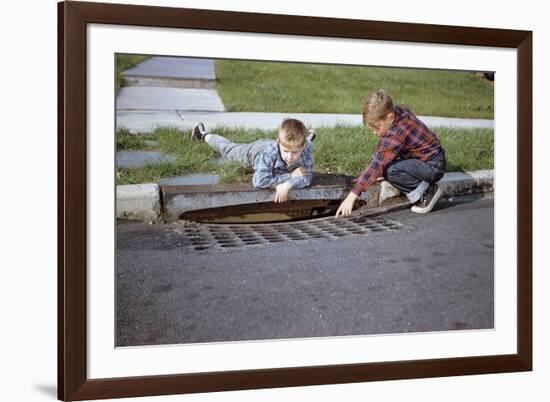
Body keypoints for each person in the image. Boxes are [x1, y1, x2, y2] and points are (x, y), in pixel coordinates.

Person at [336, 90, 446, 217]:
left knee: (390, 171)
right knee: (388, 163)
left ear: (390, 117)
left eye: (377, 127)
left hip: (432, 166)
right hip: (430, 159)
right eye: (371, 128)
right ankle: (411, 185)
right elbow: (382, 155)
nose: (374, 132)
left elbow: (377, 164)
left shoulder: (396, 134)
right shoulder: (398, 113)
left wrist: (352, 196)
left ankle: (428, 192)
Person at [190, 118, 315, 203]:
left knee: (297, 155)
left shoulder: (305, 148)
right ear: (278, 142)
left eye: (295, 152)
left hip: (288, 154)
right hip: (253, 152)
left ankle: (309, 136)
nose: (289, 156)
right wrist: (289, 177)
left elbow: (307, 178)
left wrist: (289, 185)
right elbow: (259, 181)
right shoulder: (268, 154)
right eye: (286, 151)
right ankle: (202, 134)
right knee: (227, 149)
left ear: (303, 146)